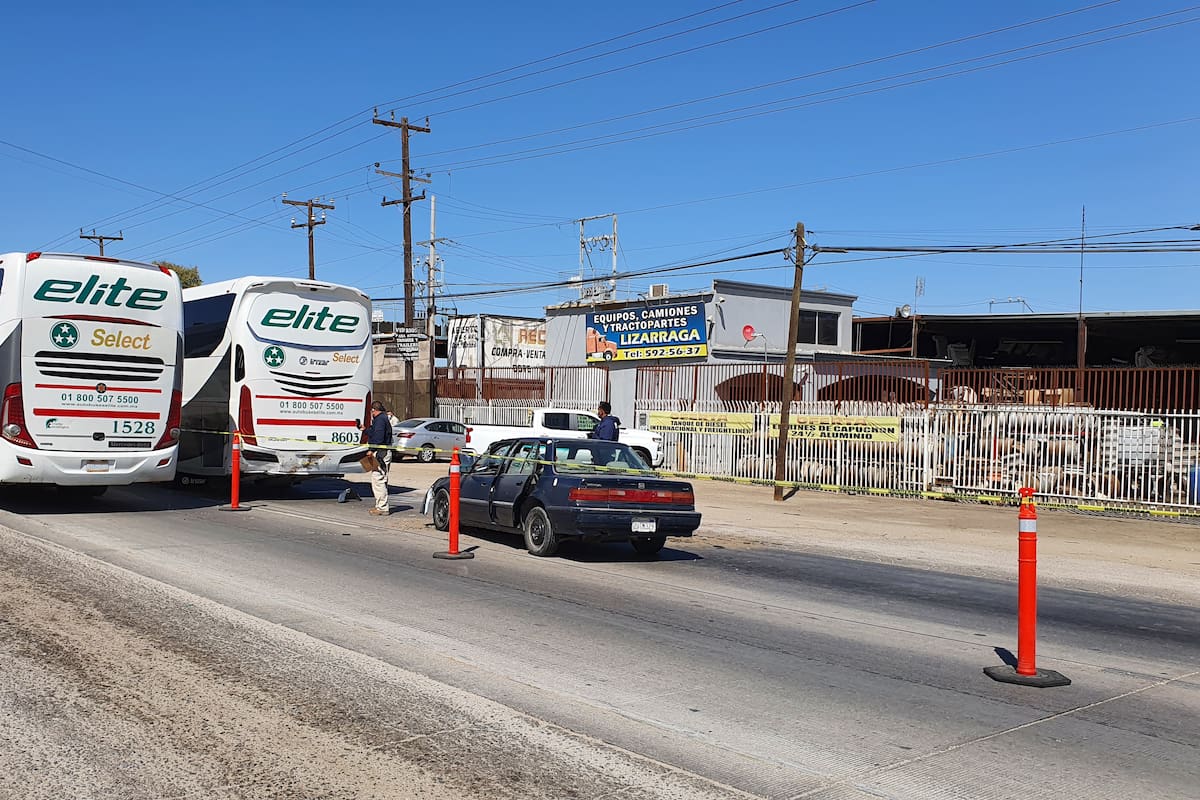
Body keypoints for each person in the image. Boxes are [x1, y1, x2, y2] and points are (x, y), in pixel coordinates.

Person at [357, 400, 393, 515]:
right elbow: (375, 432)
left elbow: (378, 436)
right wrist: (365, 429)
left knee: (378, 479)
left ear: (374, 410)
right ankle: (381, 505)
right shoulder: (382, 419)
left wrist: (371, 450)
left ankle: (382, 507)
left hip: (381, 453)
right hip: (383, 452)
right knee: (381, 479)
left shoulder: (380, 420)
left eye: (371, 411)